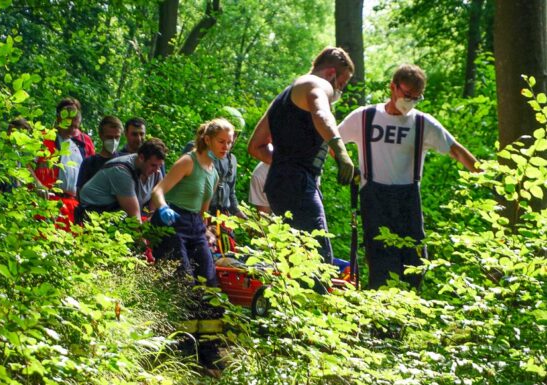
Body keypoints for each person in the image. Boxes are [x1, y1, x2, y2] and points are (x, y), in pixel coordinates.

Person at [337, 64, 479, 289]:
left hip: (408, 200)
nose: (410, 101)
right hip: (375, 200)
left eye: (416, 98)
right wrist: (344, 162)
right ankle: (378, 318)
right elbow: (332, 140)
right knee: (381, 264)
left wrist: (486, 177)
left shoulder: (422, 123)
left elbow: (455, 149)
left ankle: (409, 315)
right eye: (407, 95)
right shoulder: (365, 117)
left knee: (415, 262)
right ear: (393, 87)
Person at [247, 47, 356, 263]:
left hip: (278, 185)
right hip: (298, 184)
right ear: (331, 73)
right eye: (341, 85)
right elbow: (321, 113)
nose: (339, 91)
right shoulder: (318, 84)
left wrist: (285, 162)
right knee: (318, 259)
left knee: (293, 260)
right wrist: (343, 153)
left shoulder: (283, 98)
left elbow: (256, 146)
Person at [151, 118, 234, 287]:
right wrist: (163, 208)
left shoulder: (215, 175)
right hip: (172, 220)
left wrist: (207, 231)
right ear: (207, 139)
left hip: (194, 225)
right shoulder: (188, 161)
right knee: (182, 282)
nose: (226, 146)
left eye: (229, 143)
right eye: (221, 141)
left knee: (209, 287)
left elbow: (202, 212)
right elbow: (157, 191)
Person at [34, 98, 95, 227]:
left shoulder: (78, 147)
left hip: (72, 205)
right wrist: (37, 184)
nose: (72, 130)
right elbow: (26, 166)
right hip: (46, 202)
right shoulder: (44, 138)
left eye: (75, 127)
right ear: (59, 119)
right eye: (69, 125)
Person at [76, 138, 167, 224]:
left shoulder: (155, 172)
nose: (157, 170)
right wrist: (142, 240)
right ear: (141, 158)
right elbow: (134, 218)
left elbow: (154, 207)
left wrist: (152, 217)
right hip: (93, 213)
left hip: (117, 214)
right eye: (153, 165)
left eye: (160, 166)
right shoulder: (121, 170)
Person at [76, 116, 125, 193]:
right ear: (101, 135)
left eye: (117, 137)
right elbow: (81, 193)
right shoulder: (89, 163)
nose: (113, 141)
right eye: (109, 137)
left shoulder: (124, 161)